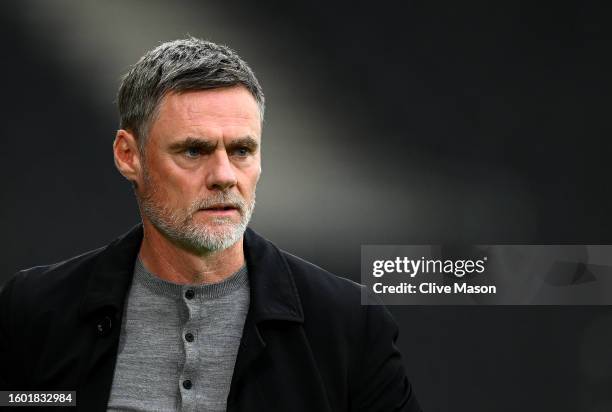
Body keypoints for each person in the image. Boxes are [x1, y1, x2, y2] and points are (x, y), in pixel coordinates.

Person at [0, 38, 421, 412]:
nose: (224, 175)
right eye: (194, 151)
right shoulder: (36, 311)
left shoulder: (348, 324)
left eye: (241, 150)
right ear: (129, 155)